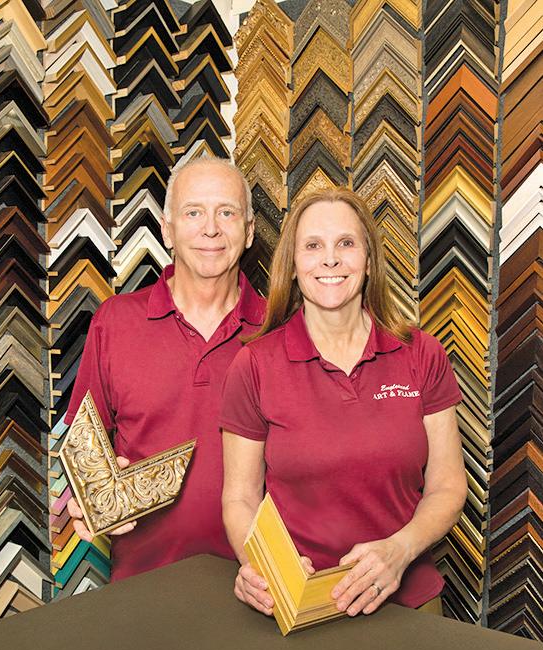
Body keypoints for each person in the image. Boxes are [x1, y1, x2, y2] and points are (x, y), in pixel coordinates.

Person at [220, 188, 467, 618]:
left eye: (346, 243)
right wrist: (263, 566)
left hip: (409, 605)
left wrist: (400, 550)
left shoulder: (421, 354)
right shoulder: (255, 364)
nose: (330, 259)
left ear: (369, 261)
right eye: (313, 246)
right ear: (292, 265)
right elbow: (240, 497)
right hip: (300, 604)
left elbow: (448, 485)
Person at [66, 157, 265, 580]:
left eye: (226, 213)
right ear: (167, 229)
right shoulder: (115, 322)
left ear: (249, 231)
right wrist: (82, 497)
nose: (210, 229)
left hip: (257, 583)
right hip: (140, 582)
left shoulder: (279, 330)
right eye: (193, 212)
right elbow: (83, 445)